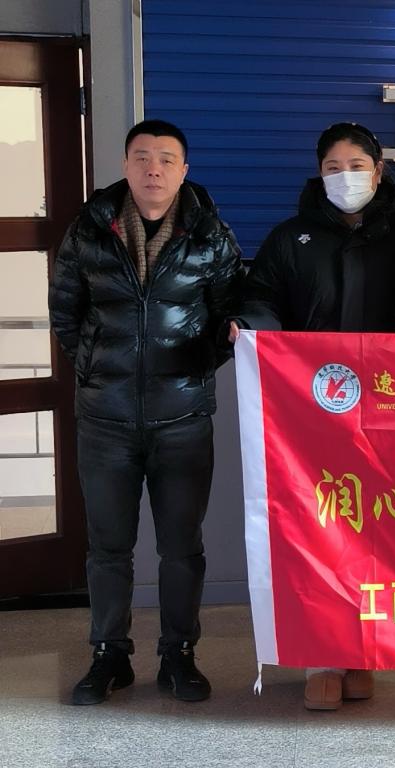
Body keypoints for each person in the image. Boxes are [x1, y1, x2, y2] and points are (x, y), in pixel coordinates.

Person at [228, 121, 395, 711]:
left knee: (380, 531)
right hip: (313, 410)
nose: (346, 178)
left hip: (389, 409)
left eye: (356, 166)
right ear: (319, 174)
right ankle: (323, 656)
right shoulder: (291, 239)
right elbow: (260, 297)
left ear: (379, 171)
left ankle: (363, 652)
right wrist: (254, 330)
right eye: (333, 168)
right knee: (321, 528)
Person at [49, 119, 243, 705]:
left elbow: (230, 316)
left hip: (183, 420)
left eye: (165, 158)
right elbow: (65, 312)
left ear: (184, 171)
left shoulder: (209, 235)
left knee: (181, 547)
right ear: (125, 165)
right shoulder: (89, 230)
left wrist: (192, 371)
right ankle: (109, 654)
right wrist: (97, 369)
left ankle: (179, 654)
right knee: (108, 547)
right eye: (141, 157)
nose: (153, 168)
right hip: (104, 421)